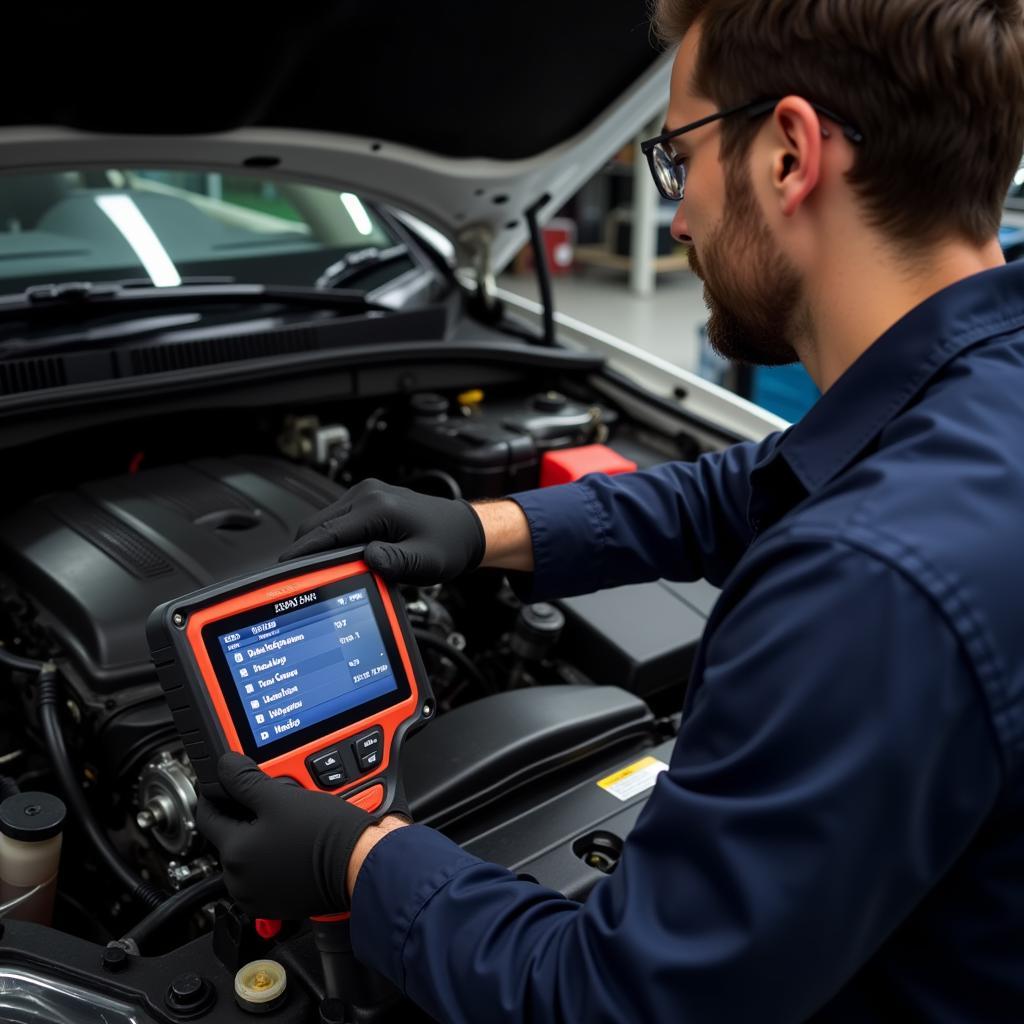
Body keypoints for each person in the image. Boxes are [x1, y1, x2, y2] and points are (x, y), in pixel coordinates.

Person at [196, 1, 1024, 1020]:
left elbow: (615, 1002)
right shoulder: (981, 388)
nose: (675, 215)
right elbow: (768, 481)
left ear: (787, 154)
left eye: (677, 158)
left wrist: (359, 860)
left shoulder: (869, 585)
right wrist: (489, 531)